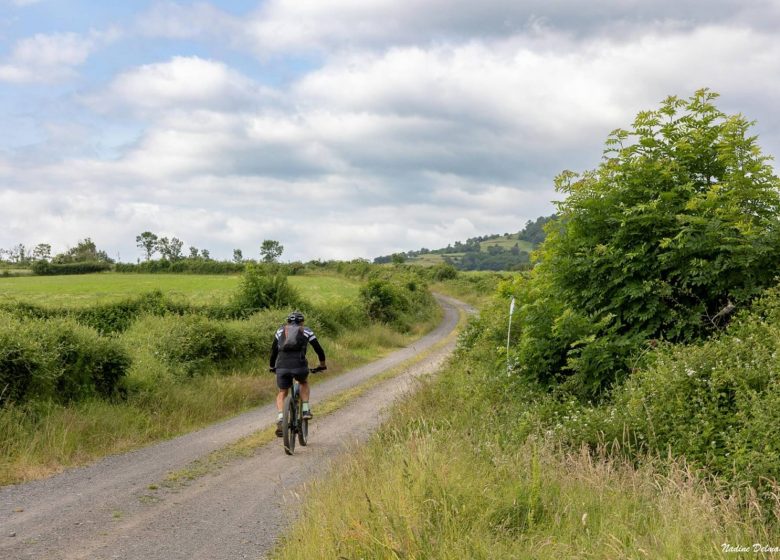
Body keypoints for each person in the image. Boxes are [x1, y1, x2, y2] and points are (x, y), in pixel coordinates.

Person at [269, 310, 326, 437]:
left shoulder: (280, 331)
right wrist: (322, 365)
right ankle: (305, 410)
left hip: (282, 365)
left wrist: (272, 366)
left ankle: (281, 416)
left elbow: (273, 351)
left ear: (288, 322)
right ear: (302, 322)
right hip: (299, 365)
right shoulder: (306, 331)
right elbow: (319, 349)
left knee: (282, 392)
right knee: (303, 382)